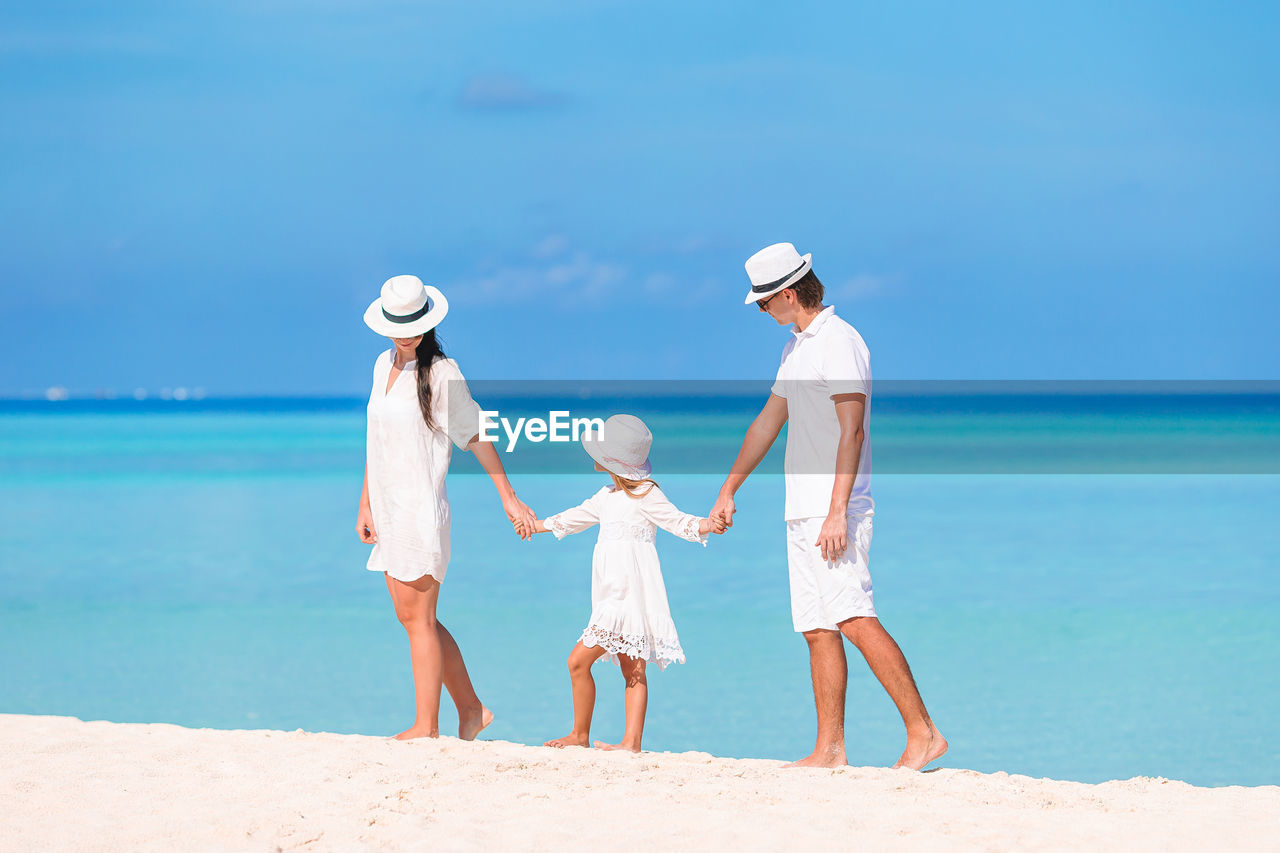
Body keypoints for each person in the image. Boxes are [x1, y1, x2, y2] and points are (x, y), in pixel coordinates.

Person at [709, 243, 947, 770]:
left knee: (855, 617)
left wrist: (839, 509)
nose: (763, 314)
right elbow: (769, 421)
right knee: (817, 626)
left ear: (788, 295)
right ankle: (830, 749)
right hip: (802, 509)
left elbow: (852, 429)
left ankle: (923, 733)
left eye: (765, 304)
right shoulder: (797, 347)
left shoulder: (839, 341)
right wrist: (730, 489)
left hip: (835, 507)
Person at [357, 274, 536, 741]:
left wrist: (508, 496)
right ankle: (472, 710)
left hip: (419, 509)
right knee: (416, 618)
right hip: (389, 509)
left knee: (419, 619)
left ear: (427, 319)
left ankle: (426, 726)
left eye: (413, 322)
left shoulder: (442, 372)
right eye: (398, 323)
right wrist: (366, 504)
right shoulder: (382, 366)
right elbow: (376, 442)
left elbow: (475, 435)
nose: (406, 332)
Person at [516, 414, 725, 752]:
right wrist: (535, 525)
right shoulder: (605, 496)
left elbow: (678, 522)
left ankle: (597, 738)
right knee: (627, 668)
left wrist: (708, 525)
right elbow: (573, 518)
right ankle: (615, 741)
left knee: (587, 663)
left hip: (631, 601)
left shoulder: (647, 495)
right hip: (609, 597)